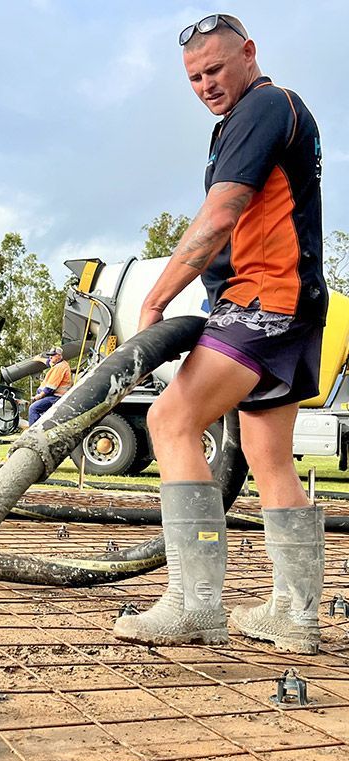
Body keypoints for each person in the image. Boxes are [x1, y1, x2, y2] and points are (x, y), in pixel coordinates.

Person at [113, 15, 326, 655]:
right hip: (293, 305)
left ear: (249, 53)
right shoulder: (254, 118)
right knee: (270, 459)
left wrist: (153, 298)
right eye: (194, 77)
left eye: (215, 69)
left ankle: (193, 605)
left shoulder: (264, 107)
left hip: (263, 299)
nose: (206, 84)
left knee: (171, 422)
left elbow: (220, 214)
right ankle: (295, 613)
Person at [28, 347, 72, 425]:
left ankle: (33, 433)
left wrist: (39, 396)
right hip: (53, 395)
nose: (50, 357)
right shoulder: (58, 363)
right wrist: (39, 359)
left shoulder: (60, 367)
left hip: (56, 397)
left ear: (59, 355)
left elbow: (50, 388)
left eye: (53, 355)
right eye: (50, 355)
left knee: (33, 408)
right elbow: (48, 362)